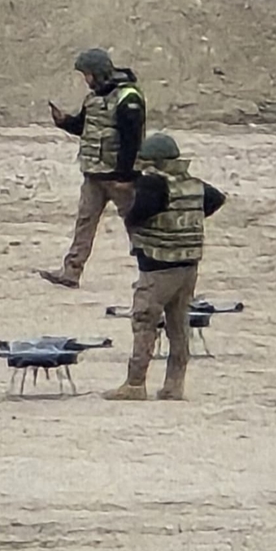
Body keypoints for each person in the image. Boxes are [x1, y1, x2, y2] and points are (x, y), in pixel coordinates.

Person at [104, 132, 227, 401]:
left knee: (144, 321)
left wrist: (126, 199)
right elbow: (216, 199)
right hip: (188, 266)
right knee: (179, 325)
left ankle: (135, 384)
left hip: (158, 266)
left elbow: (137, 215)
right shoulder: (193, 185)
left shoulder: (154, 185)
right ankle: (174, 384)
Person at [38, 48, 146, 288]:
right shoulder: (94, 98)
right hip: (94, 175)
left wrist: (125, 176)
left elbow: (132, 140)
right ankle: (71, 272)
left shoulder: (128, 98)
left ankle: (151, 275)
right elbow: (84, 127)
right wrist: (64, 122)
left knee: (137, 226)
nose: (85, 80)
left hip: (119, 178)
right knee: (84, 223)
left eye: (87, 74)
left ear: (98, 73)